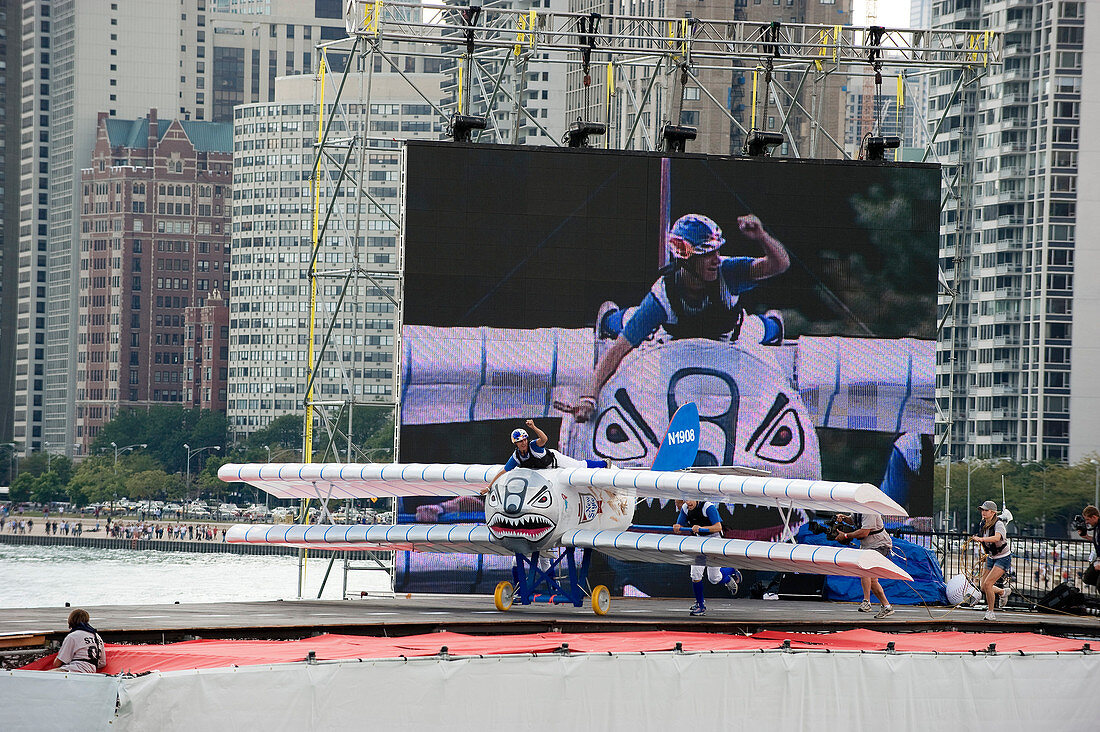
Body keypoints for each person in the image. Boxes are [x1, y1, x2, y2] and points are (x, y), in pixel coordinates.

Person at [574, 213, 790, 422]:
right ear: (686, 258)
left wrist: (762, 237)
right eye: (706, 253)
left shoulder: (729, 272)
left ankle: (773, 323)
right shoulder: (663, 295)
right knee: (629, 323)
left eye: (716, 251)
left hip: (729, 336)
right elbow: (618, 350)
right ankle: (610, 318)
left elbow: (780, 265)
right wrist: (589, 396)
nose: (716, 260)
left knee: (765, 331)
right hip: (674, 342)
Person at [672, 500, 741, 616]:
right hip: (699, 540)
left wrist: (701, 528)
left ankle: (731, 571)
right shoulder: (684, 508)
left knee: (714, 578)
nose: (688, 502)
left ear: (696, 498)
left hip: (714, 540)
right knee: (695, 574)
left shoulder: (708, 507)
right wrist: (677, 527)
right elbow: (680, 526)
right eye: (685, 500)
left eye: (690, 499)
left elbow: (718, 527)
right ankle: (700, 605)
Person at [836, 512, 895, 618]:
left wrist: (845, 535)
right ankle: (887, 606)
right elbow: (852, 520)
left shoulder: (869, 512)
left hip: (880, 545)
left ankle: (866, 602)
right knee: (873, 580)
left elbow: (864, 532)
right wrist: (844, 518)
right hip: (868, 547)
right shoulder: (858, 510)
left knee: (865, 568)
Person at [971, 500, 1012, 621]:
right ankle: (1002, 592)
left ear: (993, 512)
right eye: (982, 510)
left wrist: (981, 539)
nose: (983, 512)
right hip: (991, 557)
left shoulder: (999, 524)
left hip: (1002, 558)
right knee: (983, 586)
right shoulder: (983, 523)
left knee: (988, 584)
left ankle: (990, 612)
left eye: (986, 510)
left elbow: (997, 537)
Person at [51, 608, 106, 673]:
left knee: (46, 675)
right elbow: (102, 663)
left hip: (74, 669)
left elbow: (57, 663)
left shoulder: (72, 636)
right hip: (91, 671)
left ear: (71, 621)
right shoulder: (97, 636)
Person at [1076, 505, 1100, 590]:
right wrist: (1086, 536)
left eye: (1087, 519)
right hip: (1098, 559)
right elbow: (1097, 540)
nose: (1086, 522)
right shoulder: (1096, 527)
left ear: (1094, 517)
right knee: (1087, 578)